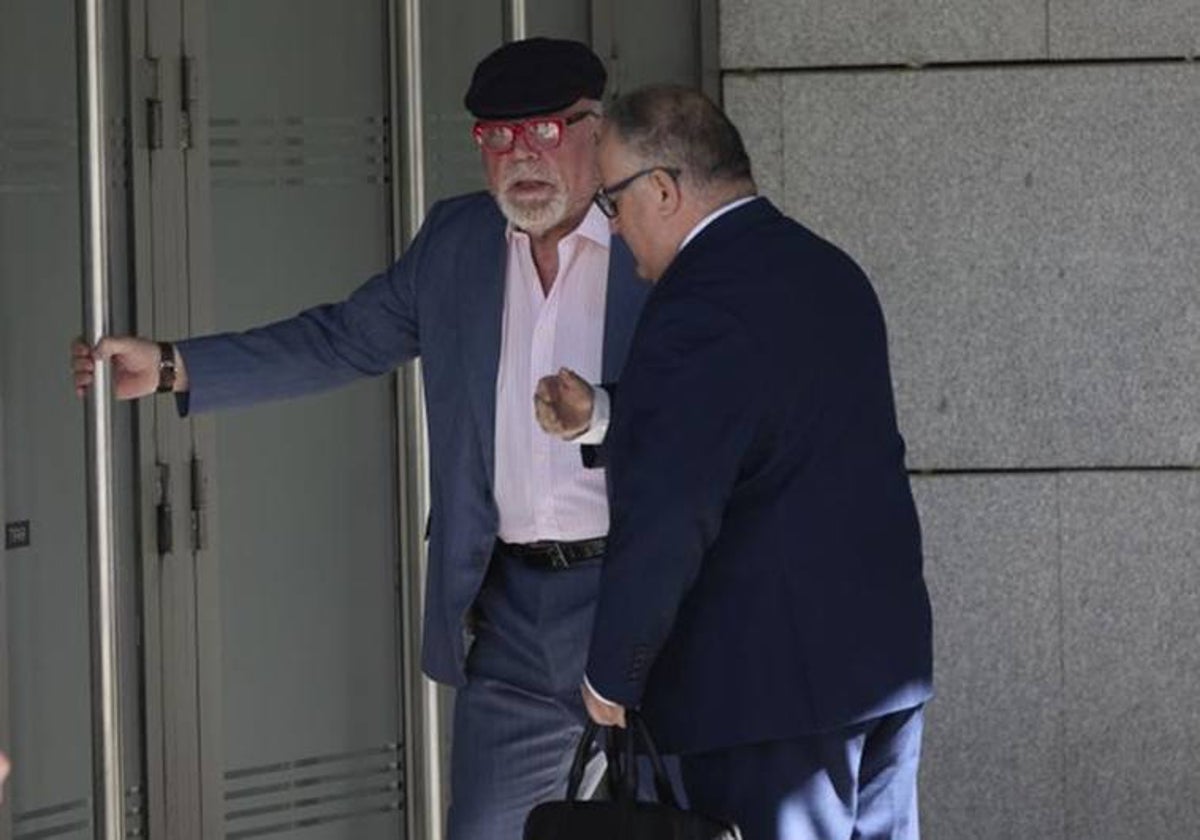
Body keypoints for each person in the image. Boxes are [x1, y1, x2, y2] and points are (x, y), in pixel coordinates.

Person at [72, 38, 649, 840]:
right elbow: (340, 339)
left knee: (668, 821)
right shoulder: (458, 244)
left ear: (598, 129)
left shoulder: (651, 245)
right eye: (496, 136)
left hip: (639, 594)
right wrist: (173, 365)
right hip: (510, 608)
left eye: (545, 132)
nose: (520, 156)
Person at [536, 85, 933, 840]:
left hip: (764, 696)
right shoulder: (826, 269)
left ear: (661, 188)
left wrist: (614, 668)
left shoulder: (697, 304)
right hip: (877, 670)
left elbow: (672, 508)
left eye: (612, 204)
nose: (612, 230)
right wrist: (611, 412)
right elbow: (767, 429)